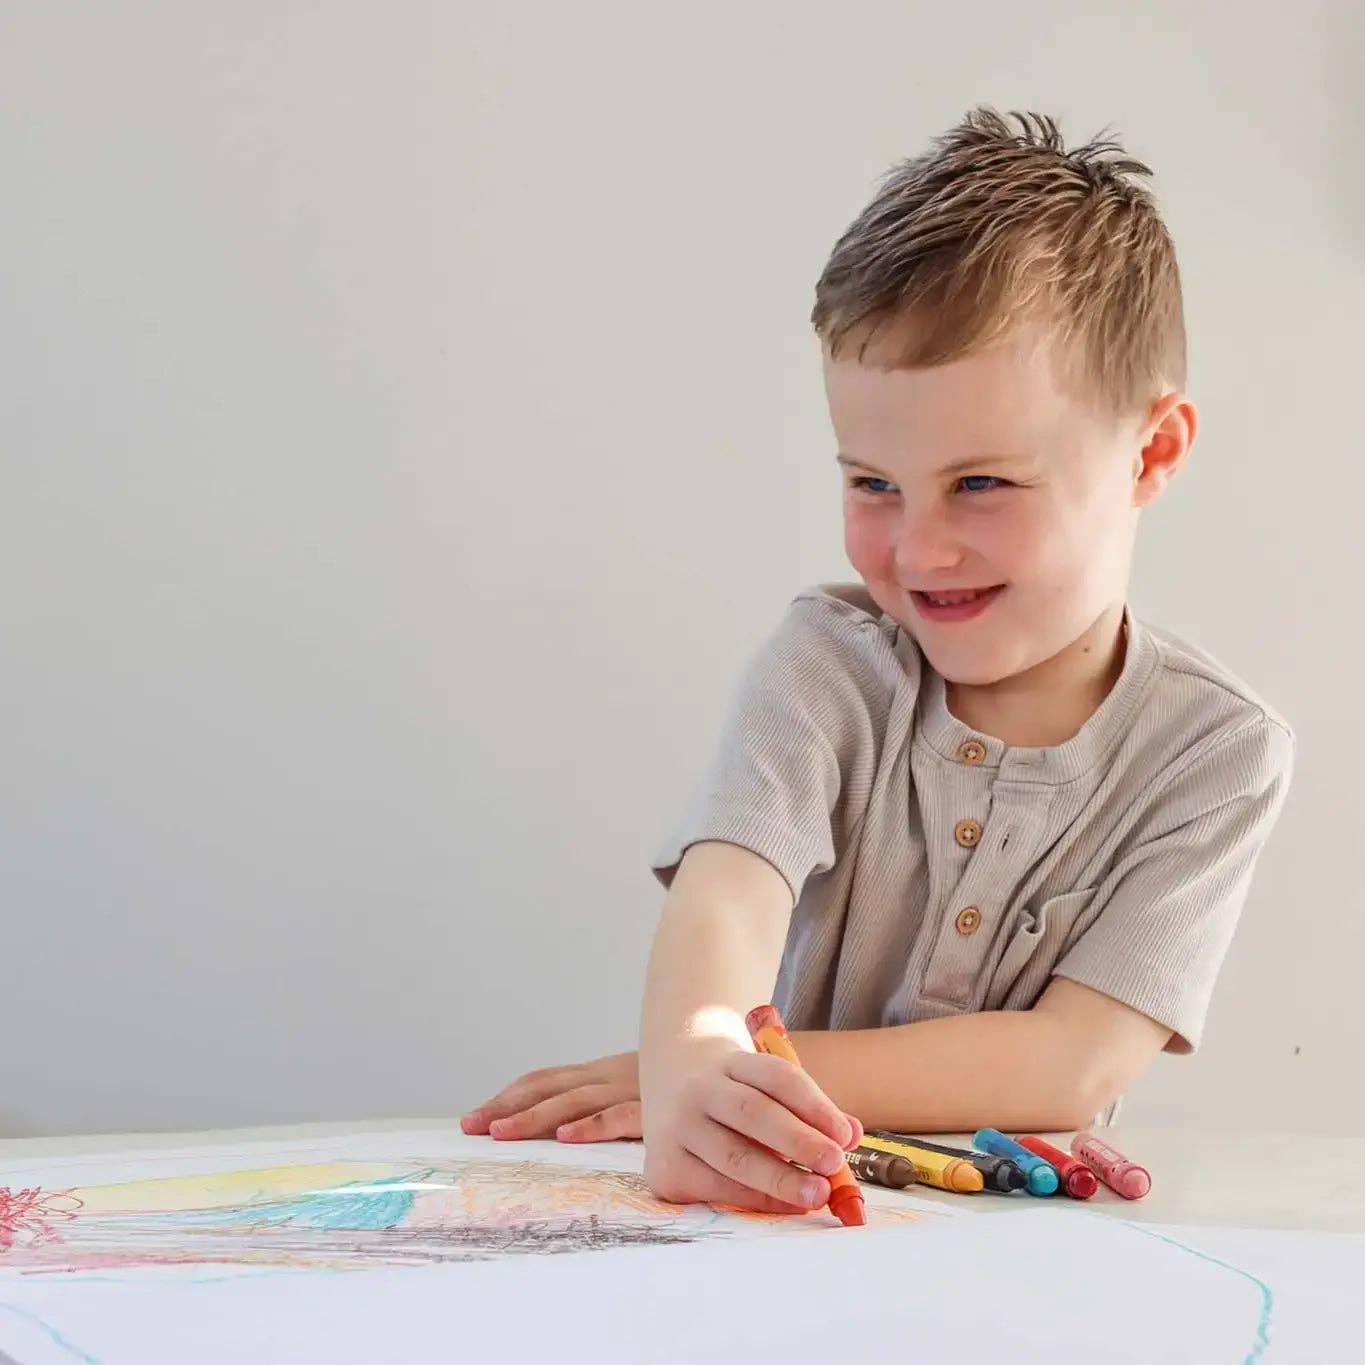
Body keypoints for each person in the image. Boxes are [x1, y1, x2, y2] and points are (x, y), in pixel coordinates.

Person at [462, 108, 1295, 1217]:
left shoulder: (1219, 751)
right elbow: (730, 896)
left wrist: (734, 1076)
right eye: (872, 484)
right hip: (797, 1230)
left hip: (1026, 1256)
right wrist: (696, 1055)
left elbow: (1076, 1064)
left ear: (1153, 452)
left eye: (982, 484)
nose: (917, 549)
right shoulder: (829, 665)